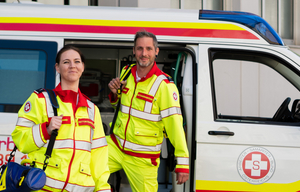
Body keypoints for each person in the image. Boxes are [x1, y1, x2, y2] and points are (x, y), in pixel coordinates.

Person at [12, 45, 111, 192]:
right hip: (44, 187)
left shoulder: (92, 110)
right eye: (66, 62)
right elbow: (20, 140)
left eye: (77, 61)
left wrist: (102, 188)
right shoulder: (40, 99)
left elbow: (99, 155)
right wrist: (46, 129)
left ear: (83, 67)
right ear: (57, 68)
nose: (72, 66)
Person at [107, 30, 190, 192]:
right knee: (84, 170)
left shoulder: (165, 86)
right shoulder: (127, 72)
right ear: (133, 50)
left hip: (142, 159)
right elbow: (120, 108)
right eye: (139, 49)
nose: (143, 53)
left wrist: (183, 163)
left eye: (148, 49)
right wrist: (113, 93)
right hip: (115, 147)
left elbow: (175, 127)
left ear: (156, 51)